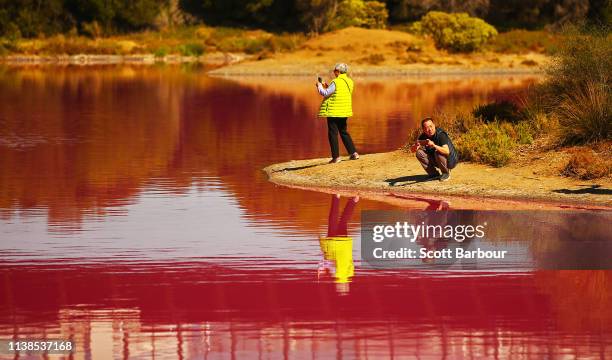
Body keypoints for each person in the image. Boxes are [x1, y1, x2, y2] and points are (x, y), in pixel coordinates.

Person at [316, 63, 359, 164]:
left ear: (338, 72)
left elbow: (325, 93)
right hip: (344, 110)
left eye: (335, 71)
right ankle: (353, 153)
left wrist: (319, 86)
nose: (334, 72)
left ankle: (336, 157)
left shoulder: (336, 82)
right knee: (344, 132)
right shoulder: (349, 81)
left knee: (333, 133)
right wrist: (326, 86)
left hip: (334, 110)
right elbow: (339, 92)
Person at [410, 117, 458, 181]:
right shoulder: (423, 136)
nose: (430, 129)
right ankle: (434, 174)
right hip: (438, 160)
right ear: (423, 130)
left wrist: (434, 145)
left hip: (451, 161)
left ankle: (446, 173)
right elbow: (412, 150)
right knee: (419, 153)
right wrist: (415, 147)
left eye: (431, 126)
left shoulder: (441, 134)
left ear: (434, 125)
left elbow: (446, 151)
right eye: (427, 128)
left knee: (437, 152)